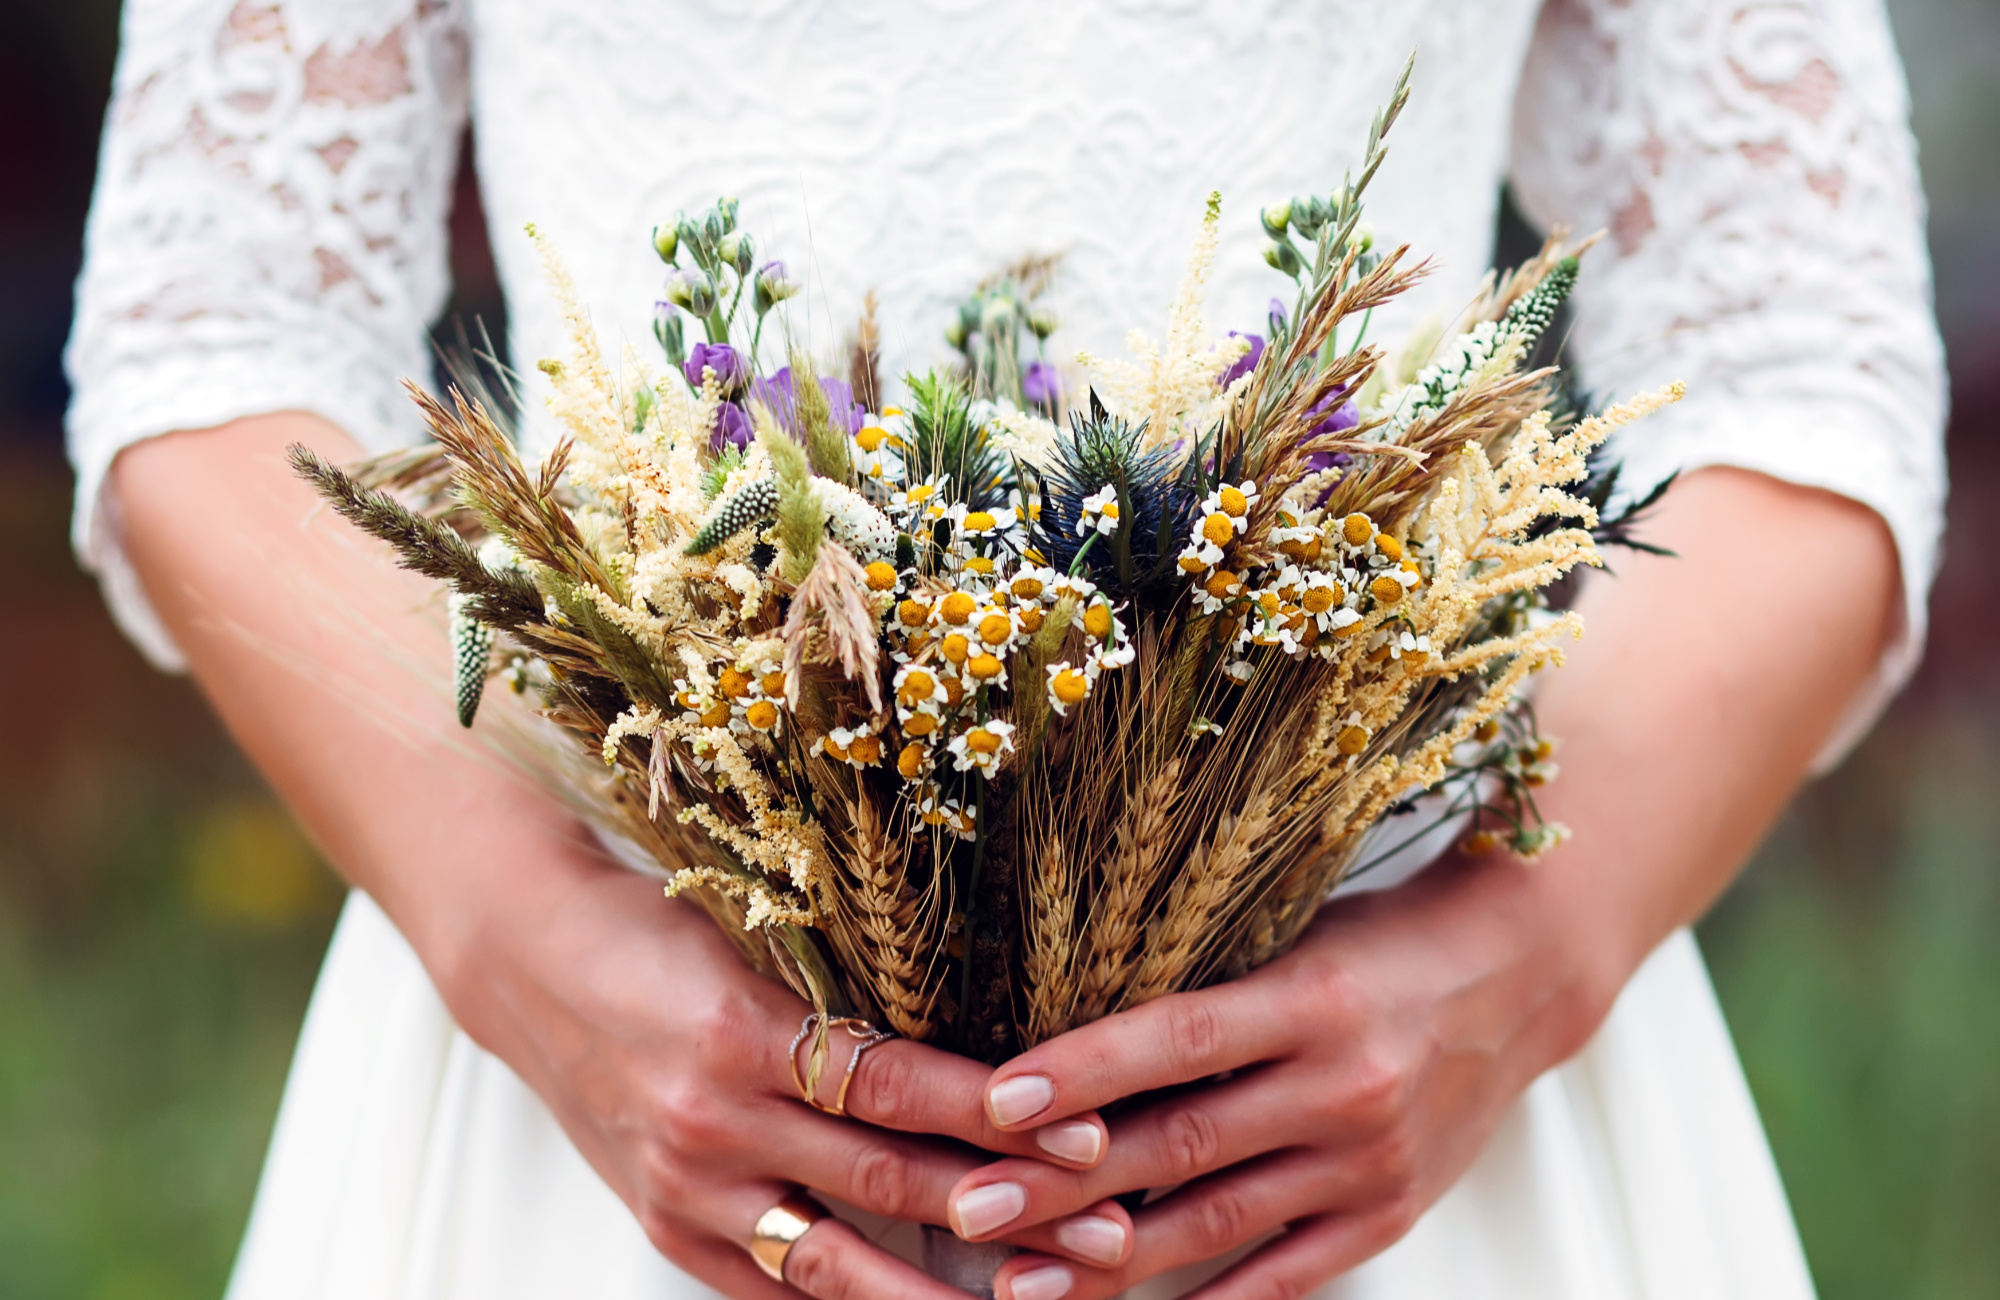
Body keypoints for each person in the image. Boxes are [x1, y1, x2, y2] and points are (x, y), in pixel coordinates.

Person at [66, 0, 1945, 1296]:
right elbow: (215, 342)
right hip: (611, 1105)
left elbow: (1809, 380)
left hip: (1387, 1121)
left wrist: (1515, 962)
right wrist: (527, 954)